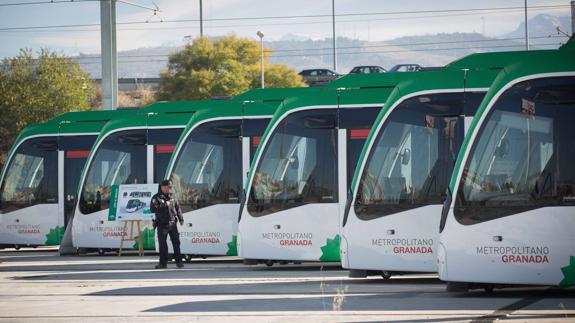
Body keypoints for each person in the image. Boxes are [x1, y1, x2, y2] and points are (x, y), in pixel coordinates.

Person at [150, 179, 184, 269]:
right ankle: (163, 263)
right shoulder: (156, 197)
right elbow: (153, 209)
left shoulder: (173, 196)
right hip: (162, 224)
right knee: (163, 244)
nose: (166, 189)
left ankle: (179, 262)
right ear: (161, 187)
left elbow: (177, 208)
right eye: (164, 187)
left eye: (168, 187)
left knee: (176, 243)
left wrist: (181, 218)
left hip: (172, 223)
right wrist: (165, 205)